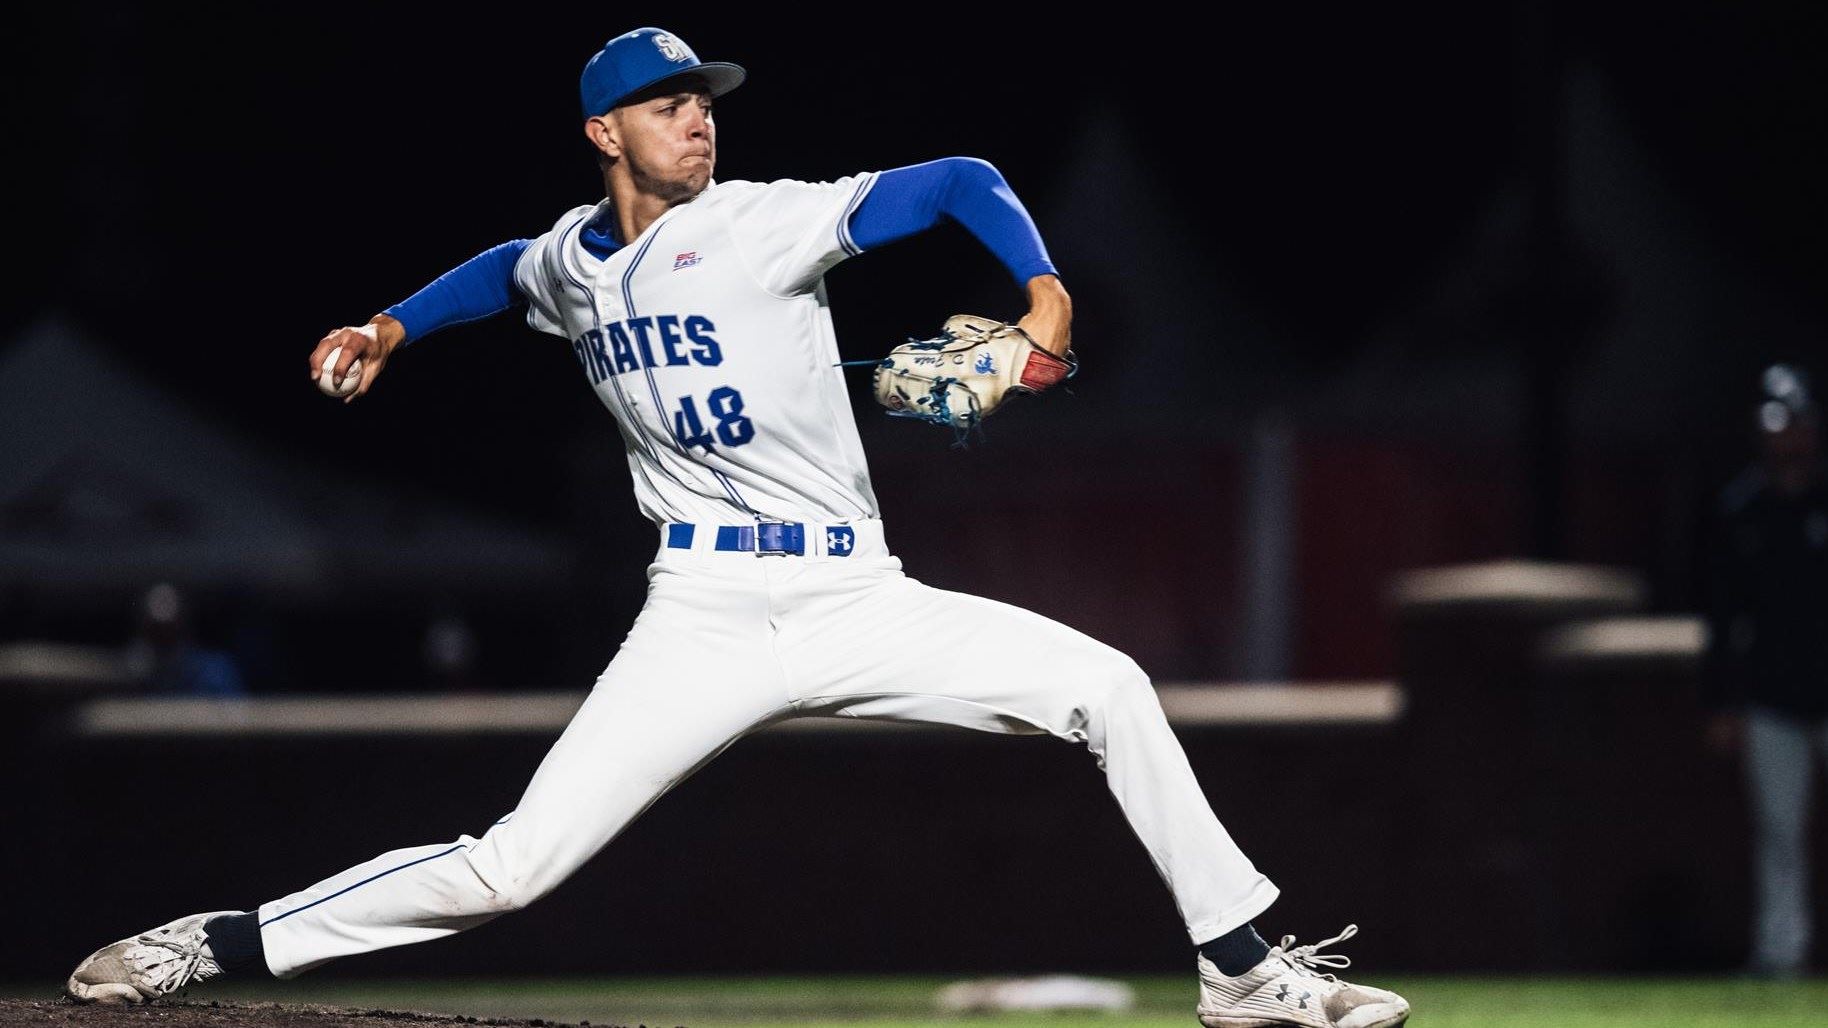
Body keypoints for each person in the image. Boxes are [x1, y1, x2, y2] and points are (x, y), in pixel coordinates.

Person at [65, 27, 1409, 1027]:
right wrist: (392, 326)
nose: (699, 121)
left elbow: (957, 178)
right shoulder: (571, 263)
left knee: (1108, 687)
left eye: (704, 99)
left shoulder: (766, 225)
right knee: (510, 870)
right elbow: (509, 273)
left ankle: (1239, 974)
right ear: (605, 134)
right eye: (666, 104)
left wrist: (1045, 297)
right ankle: (221, 946)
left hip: (859, 598)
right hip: (701, 618)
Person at [1703, 362, 1828, 979]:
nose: (1788, 438)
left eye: (1797, 424)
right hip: (1772, 695)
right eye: (1776, 426)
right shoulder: (1741, 509)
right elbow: (1723, 617)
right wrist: (1721, 702)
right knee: (1778, 832)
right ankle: (1782, 954)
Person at [123, 582, 246, 697]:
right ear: (143, 630)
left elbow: (235, 713)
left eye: (170, 627)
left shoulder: (215, 671)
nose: (163, 635)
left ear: (182, 625)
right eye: (155, 628)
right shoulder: (128, 673)